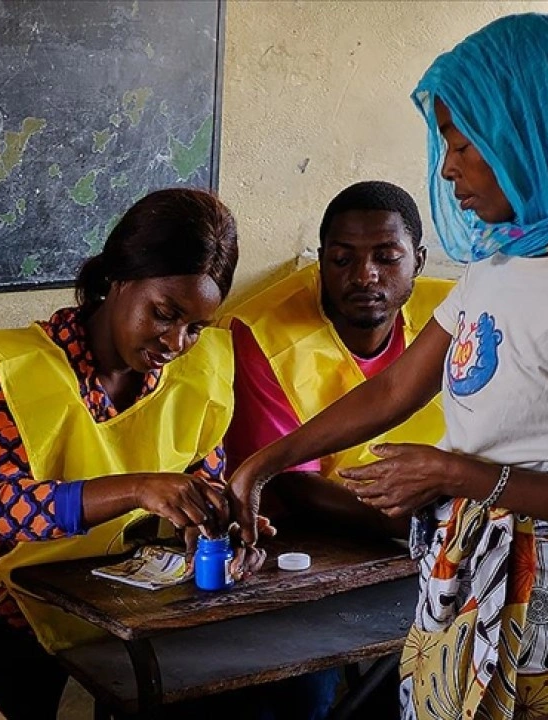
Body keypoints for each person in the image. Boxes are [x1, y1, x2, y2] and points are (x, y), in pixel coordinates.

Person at [225, 14, 548, 720]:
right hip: (460, 569)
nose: (446, 168)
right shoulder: (502, 260)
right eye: (446, 142)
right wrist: (263, 464)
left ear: (534, 140)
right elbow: (396, 388)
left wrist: (453, 474)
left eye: (465, 144)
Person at [0, 188, 250, 720]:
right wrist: (137, 487)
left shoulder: (195, 376)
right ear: (116, 279)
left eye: (195, 328)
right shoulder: (25, 369)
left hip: (137, 608)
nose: (176, 343)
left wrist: (221, 526)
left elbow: (204, 484)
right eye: (164, 313)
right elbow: (0, 510)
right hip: (24, 609)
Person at [221, 181, 452, 720]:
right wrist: (422, 522)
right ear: (321, 262)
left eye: (386, 258)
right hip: (311, 551)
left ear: (417, 260)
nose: (365, 276)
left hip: (429, 539)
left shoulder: (452, 316)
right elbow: (288, 485)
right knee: (304, 689)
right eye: (342, 259)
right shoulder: (263, 332)